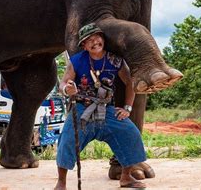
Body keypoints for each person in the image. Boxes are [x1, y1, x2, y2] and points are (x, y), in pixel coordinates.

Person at [54, 23, 147, 190]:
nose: (94, 42)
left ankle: (126, 177)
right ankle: (61, 183)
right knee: (67, 140)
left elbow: (130, 82)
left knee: (130, 133)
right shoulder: (76, 61)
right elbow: (62, 84)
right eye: (88, 40)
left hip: (107, 109)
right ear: (84, 45)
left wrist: (127, 108)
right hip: (82, 108)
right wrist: (67, 89)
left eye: (96, 37)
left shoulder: (115, 60)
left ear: (102, 38)